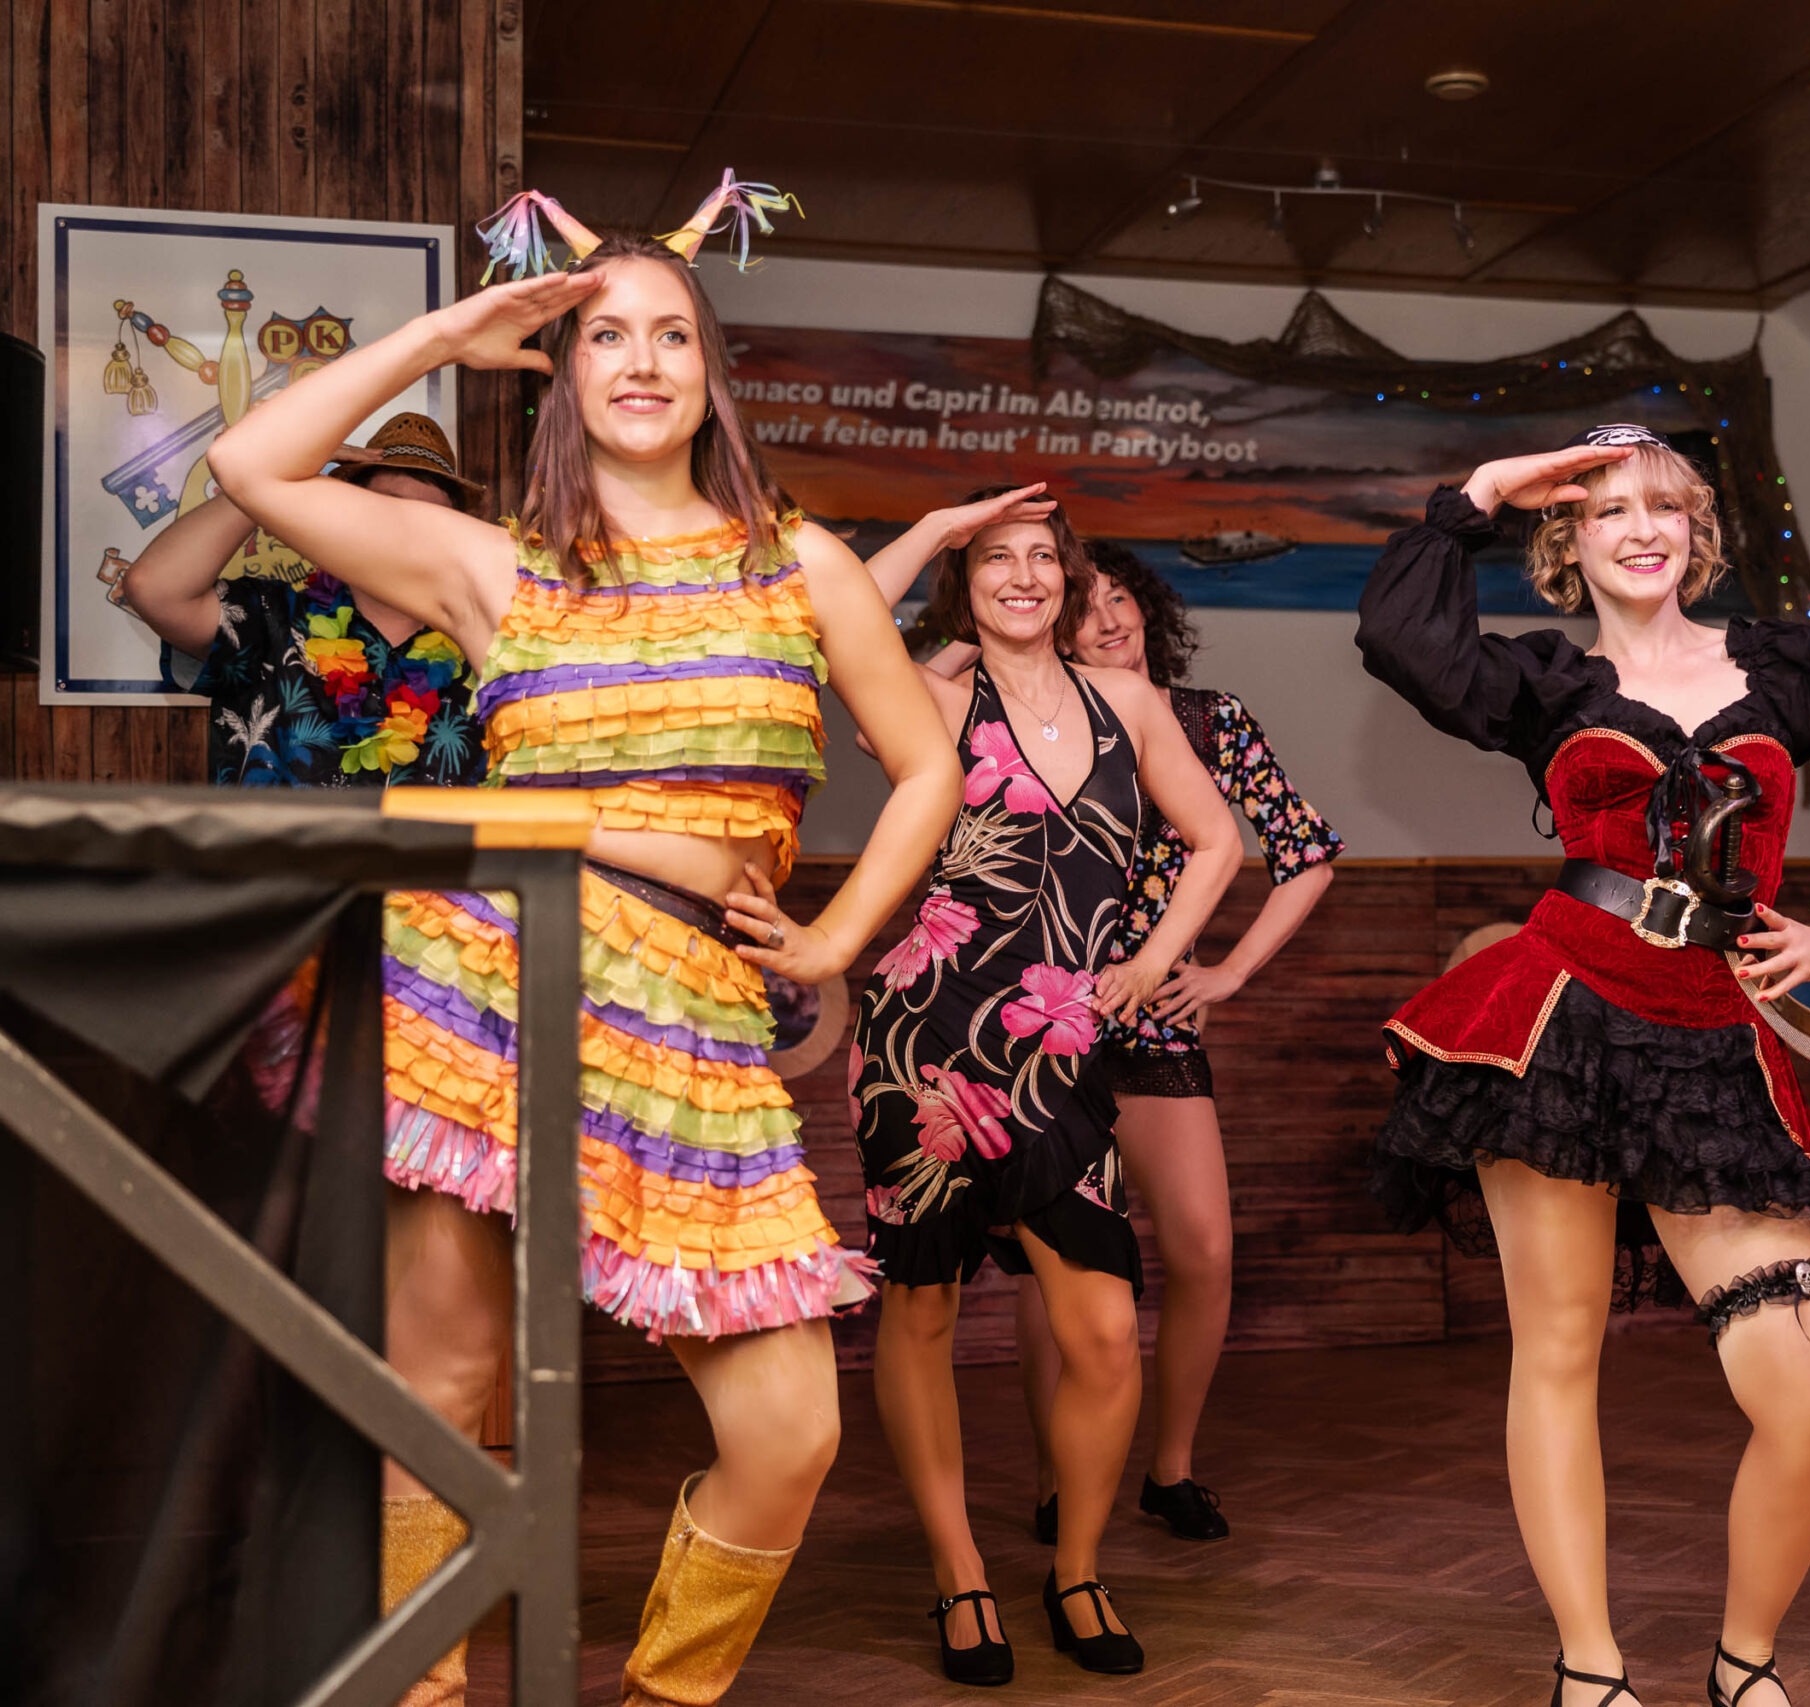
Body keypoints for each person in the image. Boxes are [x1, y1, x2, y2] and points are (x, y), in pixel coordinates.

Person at [205, 180, 963, 1706]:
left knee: (790, 1429)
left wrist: (832, 938)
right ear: (563, 368)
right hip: (493, 982)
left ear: (710, 370)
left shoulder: (800, 563)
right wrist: (445, 336)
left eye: (671, 333)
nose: (639, 360)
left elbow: (928, 762)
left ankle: (663, 1694)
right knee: (441, 1383)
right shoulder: (498, 566)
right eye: (604, 333)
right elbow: (249, 463)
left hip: (696, 1021)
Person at [1356, 427, 1810, 1707]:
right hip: (1559, 1019)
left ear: (1699, 533)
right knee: (1555, 1354)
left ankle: (1744, 1664)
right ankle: (1588, 1669)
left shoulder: (1784, 676)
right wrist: (1480, 495)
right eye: (1609, 510)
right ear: (1568, 542)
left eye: (1665, 508)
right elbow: (1404, 639)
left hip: (1715, 1035)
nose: (1640, 529)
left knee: (1803, 1395)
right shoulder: (1549, 684)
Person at [848, 495, 1243, 1682]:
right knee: (922, 1307)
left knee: (1106, 1330)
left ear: (1069, 583)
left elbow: (1218, 841)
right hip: (924, 1037)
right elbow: (835, 619)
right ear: (963, 584)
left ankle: (1076, 1569)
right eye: (994, 559)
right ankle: (960, 1574)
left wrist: (1152, 961)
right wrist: (940, 523)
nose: (1020, 574)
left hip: (1061, 1048)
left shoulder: (1129, 702)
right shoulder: (934, 700)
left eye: (1041, 559)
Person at [985, 543, 1341, 1544]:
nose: (1107, 619)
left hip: (1151, 1027)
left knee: (1204, 1250)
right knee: (1051, 1271)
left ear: (1150, 609)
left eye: (1120, 598)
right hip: (1042, 1024)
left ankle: (1170, 1468)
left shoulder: (1209, 721)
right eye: (1082, 607)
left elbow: (1305, 854)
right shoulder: (1033, 719)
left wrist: (1226, 972)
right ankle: (1059, 1480)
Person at [122, 412, 485, 787]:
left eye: (432, 517)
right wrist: (269, 476)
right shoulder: (270, 620)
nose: (411, 530)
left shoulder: (486, 647)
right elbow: (153, 588)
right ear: (350, 514)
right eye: (389, 508)